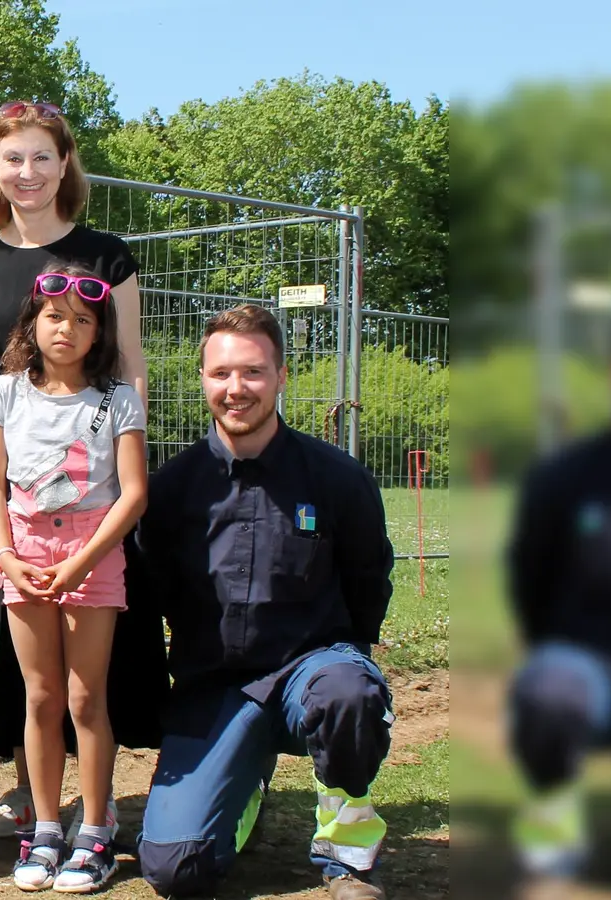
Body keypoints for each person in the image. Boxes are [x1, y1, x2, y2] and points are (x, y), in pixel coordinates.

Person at [0, 100, 160, 843]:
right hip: (11, 488)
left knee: (89, 673)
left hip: (93, 495)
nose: (27, 172)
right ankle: (31, 797)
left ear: (65, 163)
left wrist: (120, 463)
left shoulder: (107, 254)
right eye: (12, 159)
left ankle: (98, 809)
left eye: (42, 156)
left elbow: (128, 367)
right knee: (24, 669)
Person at [132, 305, 394, 900]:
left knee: (349, 696)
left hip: (311, 669)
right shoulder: (170, 489)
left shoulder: (336, 477)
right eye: (221, 373)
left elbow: (368, 578)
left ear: (280, 376)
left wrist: (350, 657)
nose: (236, 389)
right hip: (216, 685)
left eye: (252, 372)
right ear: (202, 378)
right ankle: (245, 782)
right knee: (177, 871)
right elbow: (155, 588)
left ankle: (346, 853)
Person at [0, 262, 149, 892]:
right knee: (41, 696)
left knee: (85, 698)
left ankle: (95, 830)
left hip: (92, 552)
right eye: (55, 317)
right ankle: (45, 829)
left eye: (83, 320)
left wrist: (81, 560)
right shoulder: (4, 392)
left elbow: (132, 495)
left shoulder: (118, 399)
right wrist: (4, 556)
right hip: (22, 552)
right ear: (33, 320)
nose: (67, 330)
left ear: (98, 331)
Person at [506, 303, 611, 894]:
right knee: (551, 690)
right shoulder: (566, 478)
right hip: (587, 667)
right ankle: (553, 821)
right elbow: (531, 580)